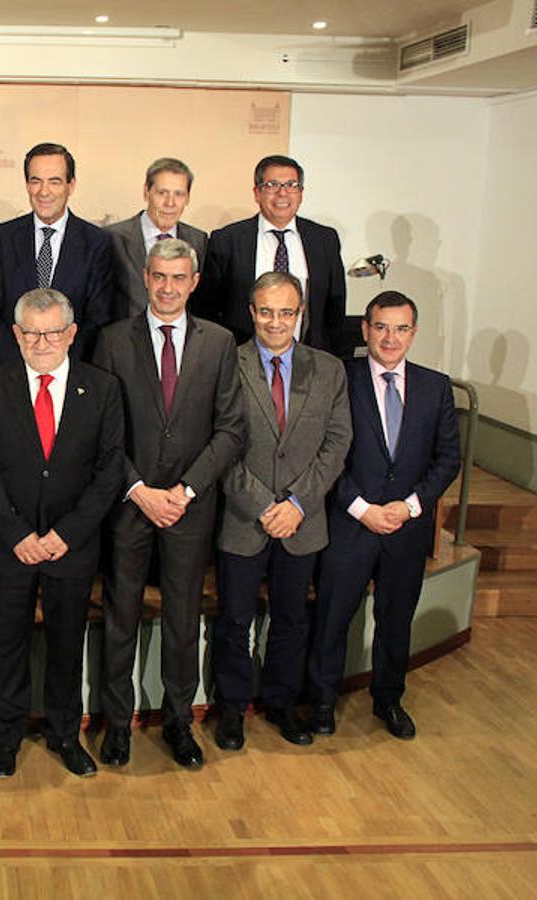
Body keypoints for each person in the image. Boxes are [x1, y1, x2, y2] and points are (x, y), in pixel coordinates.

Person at [91, 238, 244, 770]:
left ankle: (179, 721)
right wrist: (138, 490)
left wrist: (184, 492)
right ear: (146, 276)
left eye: (180, 278)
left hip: (189, 507)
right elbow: (102, 434)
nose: (169, 287)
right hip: (129, 503)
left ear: (194, 281)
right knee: (121, 617)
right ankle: (117, 724)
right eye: (160, 276)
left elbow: (230, 430)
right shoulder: (112, 340)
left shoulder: (220, 343)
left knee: (183, 619)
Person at [0, 288, 124, 779]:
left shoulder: (101, 388)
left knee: (66, 644)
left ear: (72, 333)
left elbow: (108, 472)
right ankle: (6, 737)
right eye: (32, 332)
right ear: (16, 334)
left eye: (53, 331)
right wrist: (16, 533)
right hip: (9, 544)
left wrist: (67, 533)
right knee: (10, 644)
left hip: (72, 546)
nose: (43, 342)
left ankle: (65, 733)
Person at [308, 292, 461, 740]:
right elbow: (327, 453)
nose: (390, 338)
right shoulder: (341, 379)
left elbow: (447, 459)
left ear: (414, 333)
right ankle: (321, 702)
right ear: (365, 329)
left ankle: (389, 700)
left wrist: (410, 507)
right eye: (381, 327)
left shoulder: (436, 387)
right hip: (351, 523)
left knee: (396, 622)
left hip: (404, 530)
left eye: (400, 328)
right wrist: (362, 508)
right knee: (332, 619)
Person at [212, 272, 351, 751]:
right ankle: (230, 710)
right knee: (234, 621)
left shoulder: (330, 370)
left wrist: (295, 503)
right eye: (266, 311)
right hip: (243, 517)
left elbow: (337, 444)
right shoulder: (228, 364)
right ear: (252, 313)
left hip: (303, 520)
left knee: (292, 621)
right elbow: (219, 445)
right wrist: (261, 503)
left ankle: (281, 702)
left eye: (286, 312)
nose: (276, 321)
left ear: (300, 314)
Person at [0, 142, 113, 367]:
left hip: (71, 373)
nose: (44, 191)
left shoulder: (96, 242)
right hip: (11, 373)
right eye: (36, 181)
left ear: (71, 185)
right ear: (27, 185)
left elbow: (97, 318)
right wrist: (22, 365)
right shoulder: (4, 237)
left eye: (55, 181)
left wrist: (60, 366)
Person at [197, 155, 346, 352]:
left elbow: (335, 308)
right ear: (257, 193)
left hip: (308, 360)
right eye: (272, 185)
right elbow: (207, 310)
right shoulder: (227, 240)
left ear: (301, 193)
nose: (282, 193)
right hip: (241, 360)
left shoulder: (324, 240)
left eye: (291, 185)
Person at [106, 157, 209, 321]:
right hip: (126, 339)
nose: (170, 203)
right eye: (162, 193)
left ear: (188, 198)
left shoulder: (198, 240)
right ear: (146, 192)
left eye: (179, 194)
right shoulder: (112, 238)